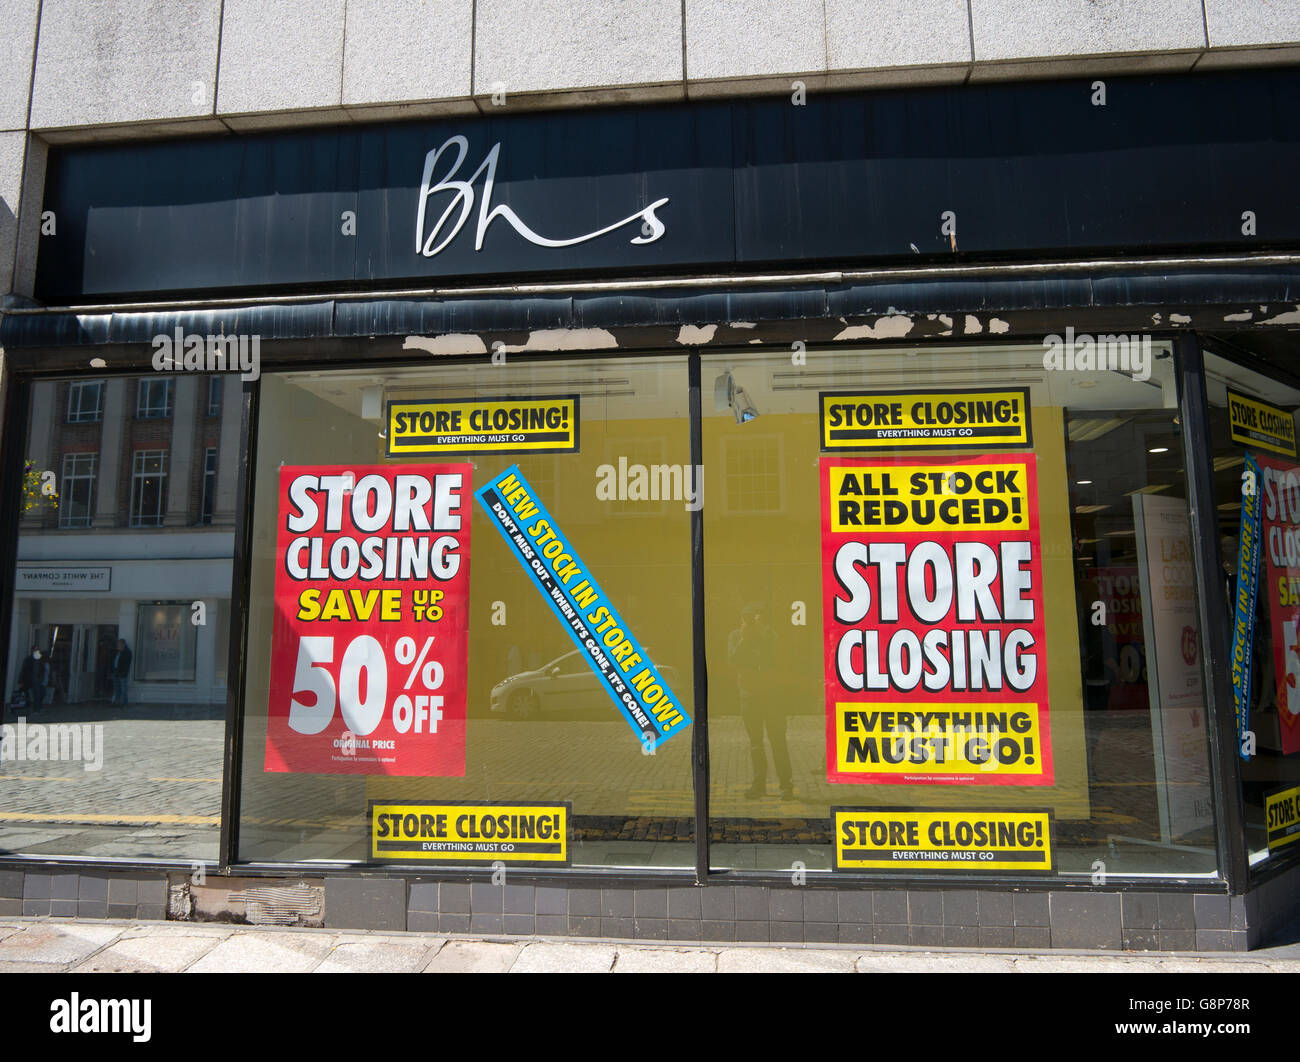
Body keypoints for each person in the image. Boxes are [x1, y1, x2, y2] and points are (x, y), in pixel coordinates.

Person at [728, 602, 793, 799]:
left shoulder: (771, 636)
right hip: (749, 697)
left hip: (772, 697)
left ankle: (786, 785)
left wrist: (762, 636)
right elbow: (733, 660)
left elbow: (779, 660)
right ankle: (759, 784)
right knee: (755, 742)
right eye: (746, 619)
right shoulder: (736, 636)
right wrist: (745, 639)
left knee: (777, 740)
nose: (749, 624)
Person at [111, 639, 132, 707]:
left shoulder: (127, 652)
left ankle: (123, 703)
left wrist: (123, 672)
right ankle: (117, 701)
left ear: (123, 644)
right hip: (116, 671)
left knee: (123, 688)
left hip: (122, 672)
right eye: (118, 644)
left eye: (119, 644)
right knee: (116, 688)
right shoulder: (117, 652)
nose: (118, 646)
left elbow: (126, 664)